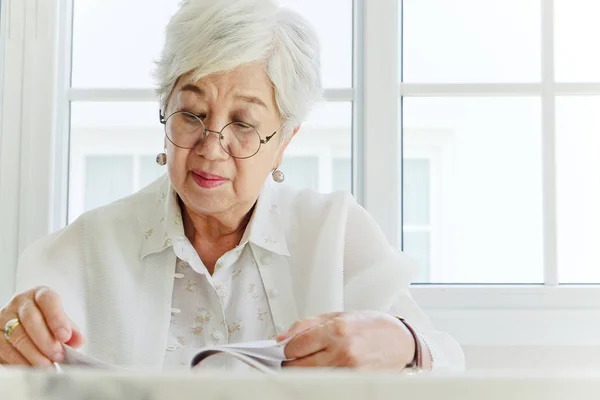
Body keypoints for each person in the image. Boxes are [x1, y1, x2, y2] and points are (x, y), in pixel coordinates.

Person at [0, 0, 464, 371]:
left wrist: (406, 346)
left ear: (284, 141)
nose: (211, 146)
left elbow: (447, 361)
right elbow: (25, 359)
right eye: (192, 114)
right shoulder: (84, 247)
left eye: (243, 123)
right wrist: (12, 344)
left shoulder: (335, 232)